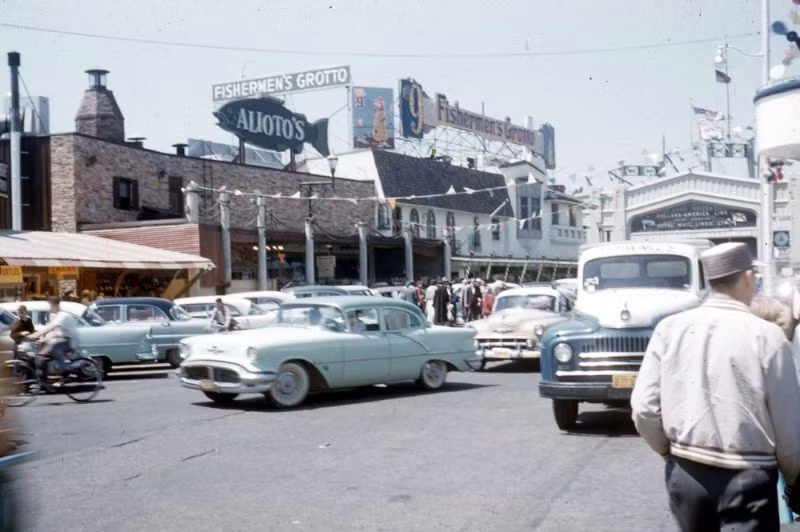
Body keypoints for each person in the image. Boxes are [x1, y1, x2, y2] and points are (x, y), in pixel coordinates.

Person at [631, 243, 800, 531]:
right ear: (747, 278)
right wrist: (794, 479)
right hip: (748, 477)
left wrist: (667, 452)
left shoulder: (669, 328)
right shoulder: (767, 336)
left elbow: (643, 409)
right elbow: (788, 427)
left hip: (686, 471)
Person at [26, 299, 80, 386]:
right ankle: (45, 380)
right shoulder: (53, 315)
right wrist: (43, 340)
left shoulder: (63, 315)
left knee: (55, 348)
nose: (49, 308)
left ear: (56, 305)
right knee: (41, 356)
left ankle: (67, 370)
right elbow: (54, 332)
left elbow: (51, 327)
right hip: (60, 339)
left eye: (50, 305)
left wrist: (36, 335)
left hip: (70, 341)